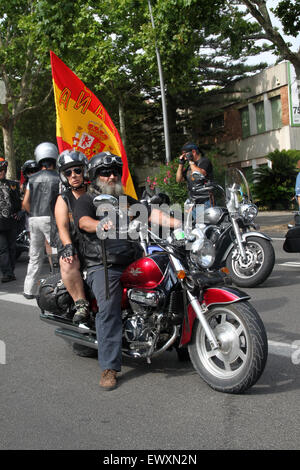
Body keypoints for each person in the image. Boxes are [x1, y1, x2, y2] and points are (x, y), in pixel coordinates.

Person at [73, 151, 181, 391]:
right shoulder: (87, 200)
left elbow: (152, 213)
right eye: (105, 172)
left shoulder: (126, 200)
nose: (111, 176)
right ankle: (109, 366)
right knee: (109, 306)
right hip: (103, 263)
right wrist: (99, 224)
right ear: (94, 176)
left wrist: (182, 223)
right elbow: (83, 222)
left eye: (115, 172)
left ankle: (179, 342)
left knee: (172, 285)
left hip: (132, 258)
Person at [54, 149, 90, 324]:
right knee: (68, 261)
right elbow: (62, 227)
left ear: (85, 171)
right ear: (63, 176)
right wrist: (68, 246)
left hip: (96, 242)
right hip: (75, 243)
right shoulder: (64, 199)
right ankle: (81, 304)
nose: (74, 175)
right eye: (68, 172)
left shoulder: (95, 193)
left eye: (77, 170)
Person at [22, 142, 60, 299]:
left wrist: (34, 214)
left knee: (35, 255)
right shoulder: (59, 177)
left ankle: (28, 290)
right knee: (58, 252)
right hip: (51, 218)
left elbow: (25, 203)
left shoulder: (32, 179)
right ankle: (58, 284)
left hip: (34, 218)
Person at [0, 157, 22, 283]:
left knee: (12, 248)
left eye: (3, 170)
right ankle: (6, 273)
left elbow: (17, 202)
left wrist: (19, 212)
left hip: (11, 221)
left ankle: (11, 271)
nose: (2, 172)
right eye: (0, 170)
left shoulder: (12, 184)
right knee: (2, 249)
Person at [176, 142, 213, 209]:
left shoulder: (204, 161)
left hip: (204, 201)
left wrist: (190, 161)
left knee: (202, 220)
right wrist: (180, 164)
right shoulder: (190, 166)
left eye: (186, 154)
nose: (185, 157)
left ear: (193, 152)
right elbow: (179, 179)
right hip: (193, 203)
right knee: (195, 220)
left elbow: (199, 175)